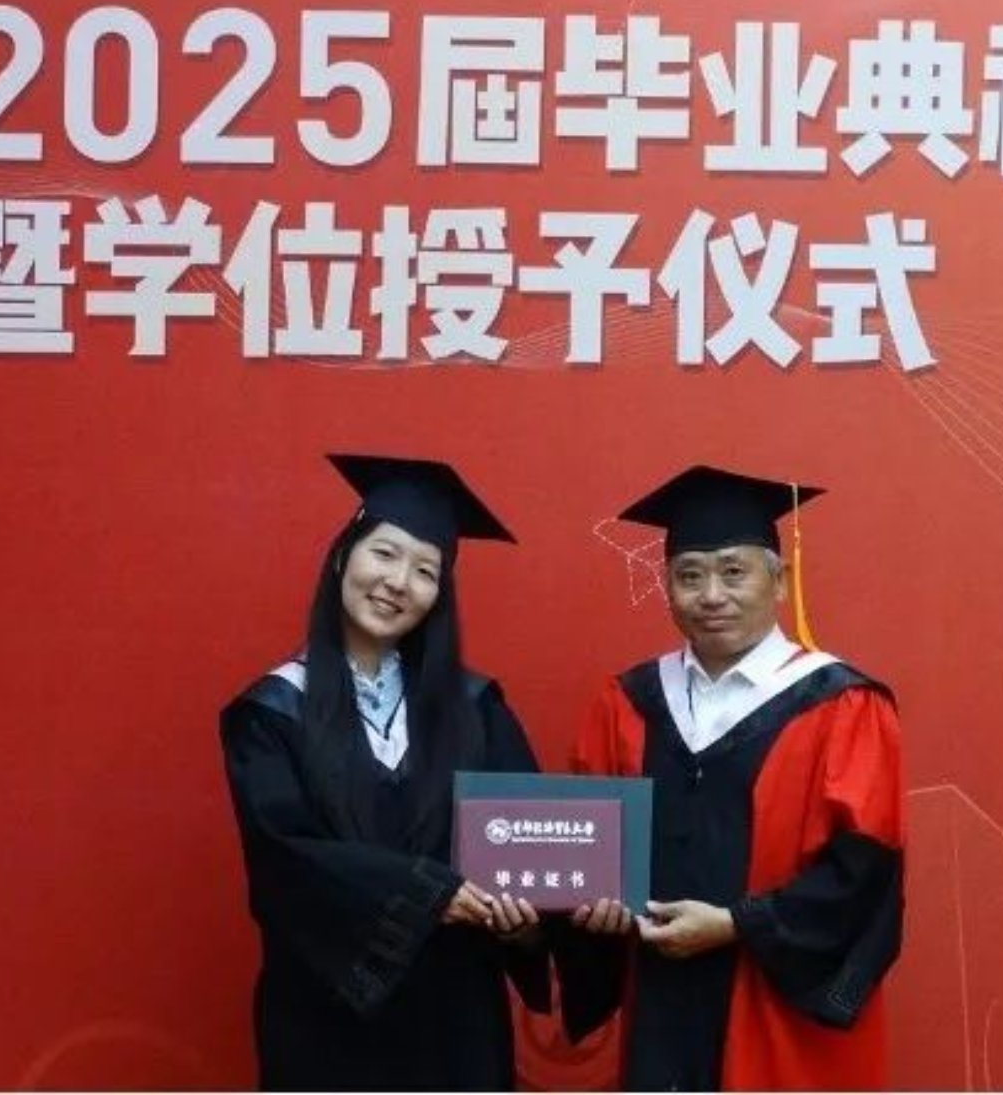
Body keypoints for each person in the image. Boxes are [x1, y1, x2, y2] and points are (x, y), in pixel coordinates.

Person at [557, 464, 905, 1090]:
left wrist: (738, 924)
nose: (711, 595)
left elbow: (864, 874)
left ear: (780, 580)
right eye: (689, 575)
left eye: (733, 572)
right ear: (667, 587)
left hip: (775, 1014)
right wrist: (592, 908)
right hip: (659, 1008)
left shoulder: (843, 704)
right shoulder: (627, 701)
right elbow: (589, 848)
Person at [220, 453, 551, 1091]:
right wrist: (429, 893)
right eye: (385, 553)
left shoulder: (476, 709)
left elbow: (527, 836)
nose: (399, 582)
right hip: (325, 1023)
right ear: (342, 557)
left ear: (439, 596)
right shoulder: (272, 713)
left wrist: (532, 921)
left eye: (426, 571)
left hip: (456, 1020)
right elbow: (285, 859)